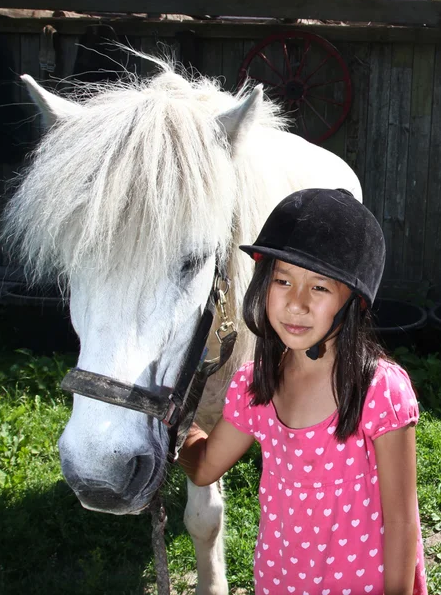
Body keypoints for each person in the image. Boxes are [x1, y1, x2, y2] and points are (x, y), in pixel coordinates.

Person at [180, 188, 427, 595]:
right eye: (283, 280)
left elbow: (402, 521)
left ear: (355, 302)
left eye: (319, 288)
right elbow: (206, 467)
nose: (296, 303)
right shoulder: (256, 385)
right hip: (280, 582)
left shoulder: (379, 390)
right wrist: (175, 433)